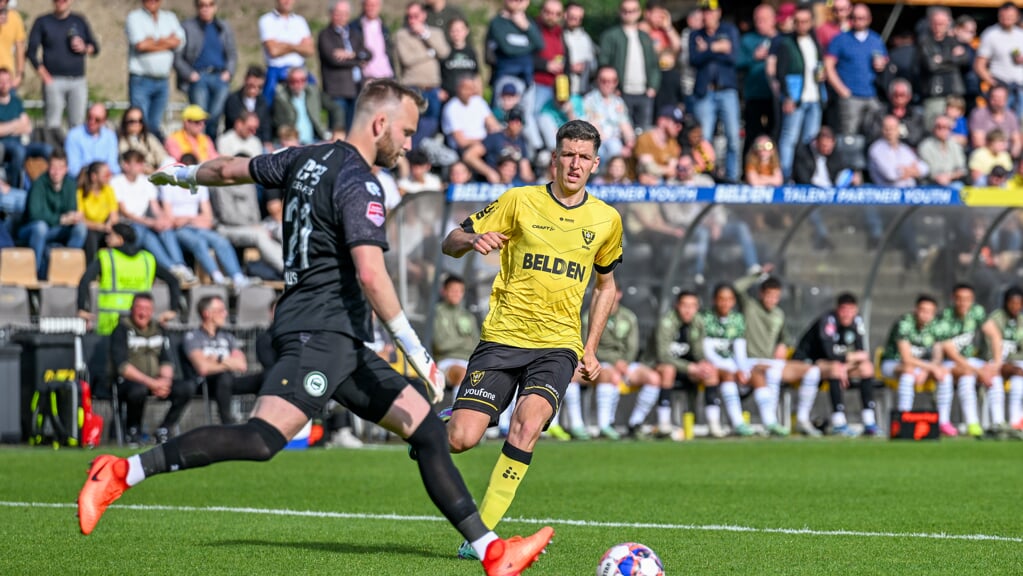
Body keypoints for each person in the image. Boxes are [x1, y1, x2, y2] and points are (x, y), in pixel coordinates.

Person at [78, 78, 554, 576]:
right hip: (319, 333)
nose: (410, 145)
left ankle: (491, 552)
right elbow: (371, 272)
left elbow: (228, 169)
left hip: (339, 337)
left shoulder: (302, 157)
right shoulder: (359, 181)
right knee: (262, 439)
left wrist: (182, 175)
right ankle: (121, 471)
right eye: (407, 132)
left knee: (427, 432)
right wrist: (417, 352)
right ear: (379, 123)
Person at [436, 119, 622, 558]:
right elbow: (450, 240)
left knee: (528, 424)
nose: (574, 164)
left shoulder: (606, 220)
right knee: (461, 439)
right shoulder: (519, 200)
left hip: (558, 345)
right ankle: (434, 425)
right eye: (567, 155)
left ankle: (478, 540)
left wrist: (590, 348)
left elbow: (607, 286)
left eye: (583, 157)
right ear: (554, 158)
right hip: (502, 339)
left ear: (595, 164)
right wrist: (472, 239)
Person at [792, 292, 879, 437]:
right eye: (844, 310)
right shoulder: (828, 321)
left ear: (856, 310)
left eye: (851, 310)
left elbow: (862, 353)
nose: (847, 314)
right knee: (836, 369)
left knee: (866, 368)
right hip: (812, 362)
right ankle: (838, 422)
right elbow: (829, 354)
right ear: (837, 309)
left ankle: (869, 421)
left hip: (839, 364)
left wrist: (846, 365)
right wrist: (848, 360)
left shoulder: (857, 321)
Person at [76, 222, 183, 335]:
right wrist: (173, 310)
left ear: (120, 239)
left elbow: (84, 281)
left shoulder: (107, 257)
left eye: (111, 235)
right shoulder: (147, 259)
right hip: (140, 323)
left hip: (110, 325)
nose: (107, 239)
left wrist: (82, 308)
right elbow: (173, 281)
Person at [112, 150, 195, 283]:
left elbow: (155, 207)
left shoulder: (146, 181)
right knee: (146, 234)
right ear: (126, 165)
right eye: (137, 163)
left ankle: (179, 265)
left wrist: (163, 219)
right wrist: (151, 222)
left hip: (144, 223)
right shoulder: (116, 182)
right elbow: (125, 212)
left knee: (166, 228)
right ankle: (171, 268)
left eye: (141, 163)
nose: (141, 166)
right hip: (126, 224)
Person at [647, 290, 717, 440]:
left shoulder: (698, 322)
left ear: (697, 307)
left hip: (686, 367)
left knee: (711, 372)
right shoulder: (666, 322)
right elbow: (662, 356)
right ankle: (664, 423)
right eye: (684, 305)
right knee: (669, 370)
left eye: (692, 306)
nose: (688, 310)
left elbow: (698, 352)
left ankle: (713, 424)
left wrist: (703, 364)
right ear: (676, 305)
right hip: (656, 365)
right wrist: (690, 367)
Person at [108, 292, 176, 446]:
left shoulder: (159, 329)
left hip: (156, 381)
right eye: (139, 307)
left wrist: (164, 381)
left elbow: (167, 360)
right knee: (138, 390)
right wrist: (151, 383)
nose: (142, 312)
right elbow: (122, 366)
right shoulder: (121, 330)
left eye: (147, 308)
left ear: (152, 311)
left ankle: (164, 428)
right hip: (129, 382)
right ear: (132, 309)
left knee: (186, 388)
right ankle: (133, 430)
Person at [933, 283, 998, 439]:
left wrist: (996, 363)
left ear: (972, 300)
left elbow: (995, 335)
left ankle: (996, 422)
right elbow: (949, 351)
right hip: (947, 361)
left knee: (993, 376)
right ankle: (944, 422)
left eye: (967, 299)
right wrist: (978, 371)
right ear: (953, 299)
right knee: (958, 376)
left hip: (969, 360)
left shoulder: (977, 312)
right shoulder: (945, 316)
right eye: (959, 299)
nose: (963, 303)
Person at [881, 294, 952, 435]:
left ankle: (943, 422)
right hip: (893, 363)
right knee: (908, 373)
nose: (925, 315)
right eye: (922, 310)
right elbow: (906, 358)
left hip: (922, 366)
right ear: (916, 310)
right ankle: (903, 418)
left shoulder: (937, 326)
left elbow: (937, 356)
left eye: (929, 312)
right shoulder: (905, 323)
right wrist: (929, 368)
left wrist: (927, 370)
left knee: (944, 375)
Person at [184, 295, 256, 427]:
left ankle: (262, 425)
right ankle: (228, 425)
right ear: (207, 314)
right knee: (224, 377)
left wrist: (218, 359)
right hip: (205, 384)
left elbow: (242, 365)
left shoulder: (227, 337)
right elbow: (202, 368)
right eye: (221, 310)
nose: (226, 314)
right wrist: (229, 363)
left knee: (264, 377)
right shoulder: (193, 337)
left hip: (230, 381)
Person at [26, 0, 99, 130]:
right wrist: (45, 77)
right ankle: (54, 150)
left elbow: (95, 48)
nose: (61, 2)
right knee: (53, 124)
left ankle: (73, 150)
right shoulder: (43, 21)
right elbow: (31, 53)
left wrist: (85, 48)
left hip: (78, 81)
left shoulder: (79, 21)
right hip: (53, 80)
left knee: (77, 124)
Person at [694, 283, 752, 437]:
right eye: (721, 299)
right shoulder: (704, 317)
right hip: (709, 363)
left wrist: (742, 369)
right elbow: (706, 350)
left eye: (729, 299)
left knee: (750, 376)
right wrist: (729, 368)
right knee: (720, 375)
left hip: (730, 364)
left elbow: (739, 348)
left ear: (733, 301)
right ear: (714, 300)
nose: (725, 303)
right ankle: (717, 424)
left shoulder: (738, 319)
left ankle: (739, 423)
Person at [734, 272, 789, 436]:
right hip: (748, 361)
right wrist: (758, 274)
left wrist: (783, 344)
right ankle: (770, 421)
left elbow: (784, 337)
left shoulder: (779, 314)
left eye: (776, 296)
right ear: (761, 294)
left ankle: (792, 420)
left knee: (811, 371)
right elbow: (736, 287)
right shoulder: (750, 306)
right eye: (769, 295)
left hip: (769, 362)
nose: (772, 300)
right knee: (769, 373)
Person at [19, 149, 87, 280]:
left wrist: (73, 217)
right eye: (53, 167)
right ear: (48, 167)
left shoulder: (70, 184)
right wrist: (61, 219)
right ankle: (35, 273)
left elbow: (71, 209)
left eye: (60, 168)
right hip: (31, 229)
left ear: (66, 169)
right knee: (40, 227)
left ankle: (66, 269)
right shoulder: (39, 184)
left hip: (56, 228)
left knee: (80, 228)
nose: (56, 172)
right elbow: (35, 214)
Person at [175, 0, 237, 140]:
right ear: (197, 7)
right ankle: (199, 150)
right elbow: (178, 57)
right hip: (198, 77)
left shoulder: (223, 27)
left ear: (215, 7)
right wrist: (190, 74)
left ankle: (211, 147)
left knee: (215, 117)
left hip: (220, 77)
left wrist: (229, 72)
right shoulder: (187, 27)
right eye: (202, 5)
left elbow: (232, 53)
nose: (206, 9)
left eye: (209, 5)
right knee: (199, 118)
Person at [125, 0, 185, 138]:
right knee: (139, 124)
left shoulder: (170, 17)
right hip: (141, 80)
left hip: (163, 80)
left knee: (155, 124)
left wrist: (153, 41)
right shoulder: (134, 17)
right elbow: (140, 45)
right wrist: (167, 41)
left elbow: (180, 42)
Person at [318, 0, 366, 132]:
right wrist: (357, 60)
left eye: (345, 14)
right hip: (337, 90)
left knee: (353, 129)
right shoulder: (325, 35)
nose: (341, 17)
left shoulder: (354, 34)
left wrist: (351, 54)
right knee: (338, 129)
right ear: (331, 14)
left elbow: (367, 53)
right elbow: (333, 60)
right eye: (338, 13)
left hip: (356, 88)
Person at [258, 0, 314, 107]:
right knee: (270, 105)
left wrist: (285, 45)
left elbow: (310, 50)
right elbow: (273, 51)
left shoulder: (300, 21)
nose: (287, 1)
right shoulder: (266, 20)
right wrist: (297, 46)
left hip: (300, 71)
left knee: (313, 97)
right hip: (277, 74)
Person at [985, 286, 1023, 438]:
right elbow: (991, 348)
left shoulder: (1021, 320)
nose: (1015, 306)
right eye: (1012, 303)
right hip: (994, 361)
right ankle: (997, 422)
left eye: (1019, 303)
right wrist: (1001, 364)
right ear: (1006, 303)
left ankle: (1015, 421)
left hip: (1017, 363)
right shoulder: (996, 318)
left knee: (1019, 378)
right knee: (995, 380)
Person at [432, 274, 479, 394]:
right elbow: (441, 345)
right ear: (444, 291)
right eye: (453, 290)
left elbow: (476, 344)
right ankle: (457, 411)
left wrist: (455, 341)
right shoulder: (436, 313)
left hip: (469, 361)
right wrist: (464, 341)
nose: (456, 294)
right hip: (445, 361)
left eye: (460, 291)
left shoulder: (468, 316)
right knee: (464, 374)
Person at [76, 161, 119, 263]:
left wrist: (109, 224)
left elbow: (114, 215)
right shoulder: (81, 192)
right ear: (94, 177)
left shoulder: (109, 190)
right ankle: (92, 269)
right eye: (105, 174)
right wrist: (99, 226)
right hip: (90, 229)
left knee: (120, 233)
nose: (109, 176)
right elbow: (81, 219)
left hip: (105, 227)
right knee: (91, 236)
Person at [65, 103, 120, 179]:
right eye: (89, 117)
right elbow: (73, 167)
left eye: (97, 120)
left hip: (105, 179)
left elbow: (113, 164)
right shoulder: (74, 135)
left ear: (104, 121)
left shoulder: (110, 136)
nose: (92, 122)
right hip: (82, 179)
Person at [0, 66, 31, 188]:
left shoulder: (16, 101)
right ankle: (12, 187)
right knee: (19, 151)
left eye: (7, 81)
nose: (4, 85)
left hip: (21, 142)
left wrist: (6, 128)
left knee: (46, 150)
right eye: (1, 82)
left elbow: (28, 127)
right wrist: (16, 124)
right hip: (4, 146)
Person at [117, 106, 171, 174]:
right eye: (132, 121)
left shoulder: (149, 138)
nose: (136, 124)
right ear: (125, 123)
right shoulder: (121, 141)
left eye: (140, 121)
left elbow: (163, 156)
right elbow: (127, 163)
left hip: (155, 173)